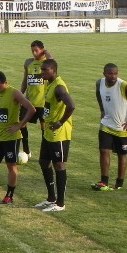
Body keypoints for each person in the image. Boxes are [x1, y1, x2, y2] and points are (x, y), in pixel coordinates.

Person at [0, 71, 36, 204]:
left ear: (6, 83)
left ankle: (9, 195)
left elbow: (31, 109)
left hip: (11, 138)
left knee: (11, 166)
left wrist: (20, 125)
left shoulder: (14, 93)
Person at [91, 63, 127, 191]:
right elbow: (99, 94)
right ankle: (104, 181)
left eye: (115, 73)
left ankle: (119, 183)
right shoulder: (100, 83)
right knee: (104, 150)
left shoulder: (123, 85)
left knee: (122, 154)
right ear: (104, 73)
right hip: (106, 124)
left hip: (122, 127)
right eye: (110, 73)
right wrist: (102, 110)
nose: (113, 76)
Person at [35, 59, 75, 212]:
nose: (42, 72)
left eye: (45, 70)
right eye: (42, 70)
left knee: (59, 165)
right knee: (44, 162)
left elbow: (71, 105)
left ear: (54, 71)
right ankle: (51, 198)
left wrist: (60, 122)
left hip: (59, 133)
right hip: (48, 131)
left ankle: (60, 203)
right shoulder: (49, 84)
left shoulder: (58, 87)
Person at [19, 40, 53, 159]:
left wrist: (46, 52)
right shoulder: (28, 63)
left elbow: (52, 60)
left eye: (36, 50)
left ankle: (45, 152)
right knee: (21, 124)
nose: (34, 53)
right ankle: (26, 150)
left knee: (44, 129)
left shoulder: (47, 64)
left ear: (42, 50)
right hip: (29, 102)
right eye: (32, 50)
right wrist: (20, 95)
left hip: (43, 103)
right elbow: (25, 80)